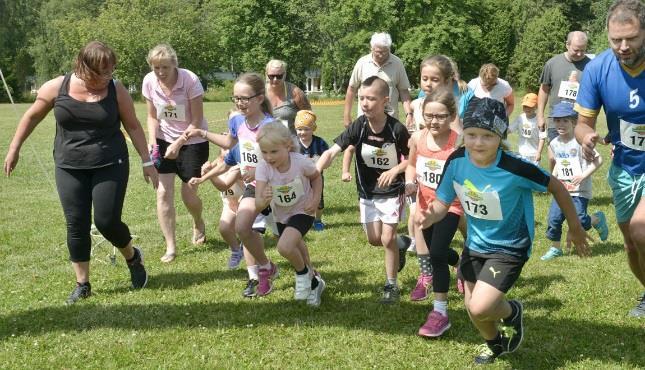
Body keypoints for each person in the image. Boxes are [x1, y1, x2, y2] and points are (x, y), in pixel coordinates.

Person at [419, 97, 590, 364]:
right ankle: (495, 343)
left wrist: (576, 227)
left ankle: (512, 313)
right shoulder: (456, 160)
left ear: (500, 136)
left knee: (481, 305)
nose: (477, 143)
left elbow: (556, 186)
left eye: (487, 136)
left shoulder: (515, 167)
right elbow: (442, 202)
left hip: (510, 246)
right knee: (472, 309)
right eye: (472, 134)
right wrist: (430, 216)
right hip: (475, 244)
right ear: (463, 132)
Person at [3, 41, 157, 304]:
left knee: (107, 221)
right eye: (101, 73)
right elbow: (31, 117)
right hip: (69, 165)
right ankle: (82, 283)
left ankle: (132, 256)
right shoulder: (56, 87)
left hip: (110, 161)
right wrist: (14, 148)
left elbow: (132, 125)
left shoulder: (116, 90)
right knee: (76, 224)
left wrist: (146, 161)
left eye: (110, 71)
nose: (107, 77)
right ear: (82, 67)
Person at [574, 0, 645, 317]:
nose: (624, 46)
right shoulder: (597, 68)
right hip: (625, 167)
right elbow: (582, 123)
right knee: (631, 242)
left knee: (642, 229)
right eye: (616, 39)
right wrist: (586, 137)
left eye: (631, 38)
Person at [317, 76, 411, 303]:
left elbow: (411, 158)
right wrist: (317, 167)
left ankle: (391, 285)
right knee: (374, 239)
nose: (365, 103)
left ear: (385, 101)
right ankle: (402, 244)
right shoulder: (359, 126)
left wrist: (395, 170)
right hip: (367, 191)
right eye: (362, 99)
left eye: (371, 98)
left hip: (392, 191)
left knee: (387, 238)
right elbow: (334, 150)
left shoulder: (396, 129)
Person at [186, 72, 279, 297]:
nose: (239, 102)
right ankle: (262, 270)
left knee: (287, 239)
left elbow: (283, 158)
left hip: (275, 186)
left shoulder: (270, 125)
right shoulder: (237, 120)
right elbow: (230, 143)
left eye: (244, 98)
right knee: (243, 228)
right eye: (236, 98)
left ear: (259, 98)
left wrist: (258, 170)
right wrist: (202, 133)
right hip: (254, 187)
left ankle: (307, 272)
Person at [404, 87, 463, 337]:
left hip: (452, 205)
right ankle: (460, 263)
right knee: (433, 249)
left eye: (440, 116)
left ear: (451, 116)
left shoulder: (458, 142)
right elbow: (412, 164)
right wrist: (410, 182)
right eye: (429, 115)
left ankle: (440, 312)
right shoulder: (418, 138)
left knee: (436, 253)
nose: (433, 121)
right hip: (426, 206)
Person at [142, 44, 208, 263]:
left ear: (174, 65)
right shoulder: (149, 82)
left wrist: (179, 143)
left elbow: (197, 120)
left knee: (189, 193)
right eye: (156, 68)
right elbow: (152, 116)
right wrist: (153, 143)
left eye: (165, 68)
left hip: (193, 139)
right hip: (163, 139)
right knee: (163, 192)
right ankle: (170, 246)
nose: (161, 72)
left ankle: (198, 221)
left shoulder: (190, 80)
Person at [255, 122, 325, 306]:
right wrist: (264, 199)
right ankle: (314, 282)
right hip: (282, 215)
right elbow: (258, 202)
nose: (269, 157)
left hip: (304, 210)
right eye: (264, 152)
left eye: (274, 152)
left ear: (287, 146)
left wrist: (316, 199)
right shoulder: (263, 168)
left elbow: (316, 177)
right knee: (297, 246)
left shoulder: (300, 162)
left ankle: (302, 275)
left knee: (285, 247)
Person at [541, 102, 608, 260]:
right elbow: (558, 163)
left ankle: (596, 219)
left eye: (565, 120)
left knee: (580, 221)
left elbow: (599, 160)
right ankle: (555, 248)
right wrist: (553, 180)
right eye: (557, 121)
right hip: (562, 190)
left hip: (580, 191)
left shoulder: (580, 142)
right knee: (554, 219)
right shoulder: (554, 143)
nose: (560, 124)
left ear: (574, 122)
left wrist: (583, 176)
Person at [343, 32, 414, 128]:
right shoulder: (362, 63)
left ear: (389, 48)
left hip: (390, 120)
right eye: (378, 52)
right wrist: (346, 115)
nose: (381, 55)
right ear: (371, 48)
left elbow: (404, 91)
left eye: (385, 52)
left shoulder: (397, 63)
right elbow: (351, 89)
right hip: (365, 120)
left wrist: (409, 114)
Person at [538, 31, 590, 143]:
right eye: (576, 50)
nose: (580, 54)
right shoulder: (552, 64)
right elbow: (544, 90)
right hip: (556, 122)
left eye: (583, 50)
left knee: (578, 159)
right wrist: (540, 116)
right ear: (567, 45)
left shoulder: (592, 66)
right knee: (554, 159)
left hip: (581, 123)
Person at [201, 148, 245, 269]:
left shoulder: (239, 165)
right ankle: (236, 251)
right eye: (224, 148)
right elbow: (206, 169)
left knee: (244, 229)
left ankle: (249, 250)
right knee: (224, 228)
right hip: (229, 202)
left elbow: (224, 185)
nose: (227, 151)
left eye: (229, 148)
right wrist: (205, 169)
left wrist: (210, 174)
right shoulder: (219, 163)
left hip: (244, 201)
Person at [294, 110, 330, 230]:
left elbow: (327, 158)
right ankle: (300, 220)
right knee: (298, 199)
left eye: (306, 129)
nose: (302, 132)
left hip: (316, 178)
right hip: (298, 179)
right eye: (299, 129)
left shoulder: (320, 143)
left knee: (318, 200)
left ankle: (318, 220)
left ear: (313, 128)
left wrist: (322, 166)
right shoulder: (293, 144)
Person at [265, 59, 312, 134]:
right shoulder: (259, 92)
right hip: (265, 142)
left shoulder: (295, 92)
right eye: (271, 76)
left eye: (279, 76)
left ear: (285, 75)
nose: (275, 79)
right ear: (266, 74)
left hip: (290, 143)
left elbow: (308, 116)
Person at [508, 93, 545, 165]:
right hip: (522, 153)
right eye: (525, 106)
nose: (527, 109)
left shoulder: (539, 120)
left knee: (533, 174)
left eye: (530, 106)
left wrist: (539, 152)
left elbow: (542, 138)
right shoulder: (520, 118)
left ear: (536, 106)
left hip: (534, 155)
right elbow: (509, 130)